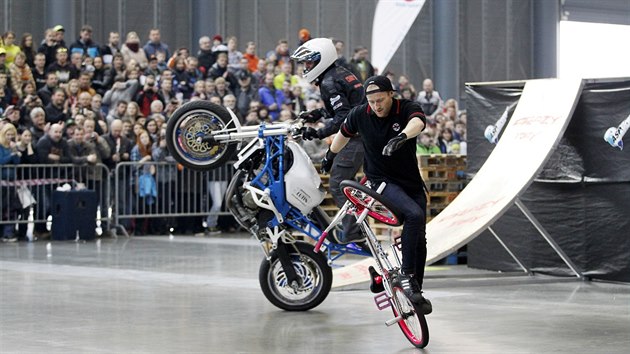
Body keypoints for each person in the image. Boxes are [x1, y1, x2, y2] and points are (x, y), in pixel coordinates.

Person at [322, 75, 432, 314]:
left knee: (420, 239)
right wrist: (330, 156)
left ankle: (414, 291)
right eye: (372, 102)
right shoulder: (360, 114)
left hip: (411, 183)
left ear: (391, 94)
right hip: (381, 181)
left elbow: (418, 123)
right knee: (412, 216)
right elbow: (343, 133)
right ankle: (406, 276)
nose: (377, 106)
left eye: (381, 100)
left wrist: (402, 136)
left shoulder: (406, 108)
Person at [291, 37, 365, 244]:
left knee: (338, 183)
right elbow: (345, 105)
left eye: (309, 62)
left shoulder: (329, 82)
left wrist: (317, 133)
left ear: (321, 60)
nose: (306, 67)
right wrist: (317, 114)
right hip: (366, 134)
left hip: (357, 139)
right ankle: (358, 221)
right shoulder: (340, 72)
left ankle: (353, 231)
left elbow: (343, 117)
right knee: (352, 182)